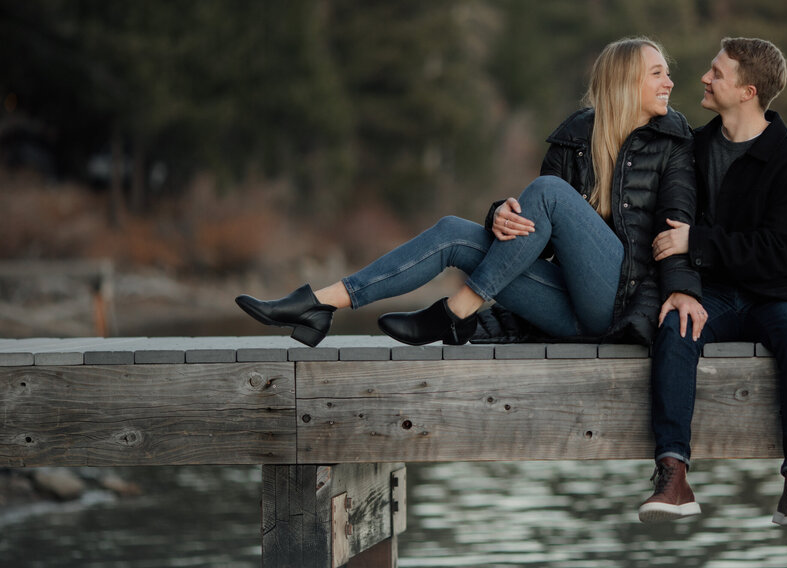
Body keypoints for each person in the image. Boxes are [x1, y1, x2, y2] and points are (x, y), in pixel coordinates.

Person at [234, 37, 706, 350]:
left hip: (621, 306)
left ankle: (459, 309)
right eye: (658, 73)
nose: (670, 83)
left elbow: (678, 231)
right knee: (454, 232)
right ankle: (321, 303)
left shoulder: (674, 144)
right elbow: (534, 231)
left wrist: (683, 290)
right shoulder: (574, 139)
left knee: (547, 191)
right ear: (624, 81)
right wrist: (498, 216)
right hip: (565, 308)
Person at [637, 37, 787, 532]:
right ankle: (673, 475)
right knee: (675, 326)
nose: (704, 78)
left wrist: (698, 243)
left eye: (716, 73)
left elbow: (779, 253)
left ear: (747, 91)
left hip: (778, 292)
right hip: (714, 294)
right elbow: (667, 224)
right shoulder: (693, 150)